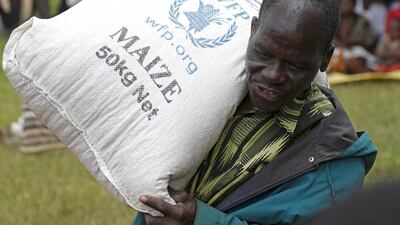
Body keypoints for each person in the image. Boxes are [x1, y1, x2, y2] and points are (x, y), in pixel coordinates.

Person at [134, 0, 377, 224]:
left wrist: (200, 219)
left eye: (295, 65)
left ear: (325, 59)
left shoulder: (335, 170)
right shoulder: (209, 88)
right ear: (253, 31)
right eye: (263, 53)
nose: (273, 75)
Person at [330, 0, 378, 74]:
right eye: (343, 4)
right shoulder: (334, 20)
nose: (345, 6)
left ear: (354, 5)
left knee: (359, 55)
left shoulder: (363, 21)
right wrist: (339, 43)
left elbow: (371, 42)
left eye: (347, 3)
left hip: (358, 51)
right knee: (333, 56)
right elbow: (330, 39)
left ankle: (357, 69)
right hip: (339, 51)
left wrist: (357, 42)